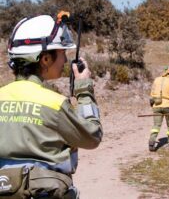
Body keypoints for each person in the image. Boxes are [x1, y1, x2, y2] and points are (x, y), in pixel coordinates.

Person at [0, 12, 102, 198]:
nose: (64, 60)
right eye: (62, 53)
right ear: (45, 59)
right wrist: (84, 90)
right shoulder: (54, 103)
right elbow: (92, 136)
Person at [148, 65, 169, 152]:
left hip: (156, 106)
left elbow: (152, 94)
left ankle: (151, 141)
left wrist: (153, 105)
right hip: (168, 106)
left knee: (156, 125)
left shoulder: (156, 80)